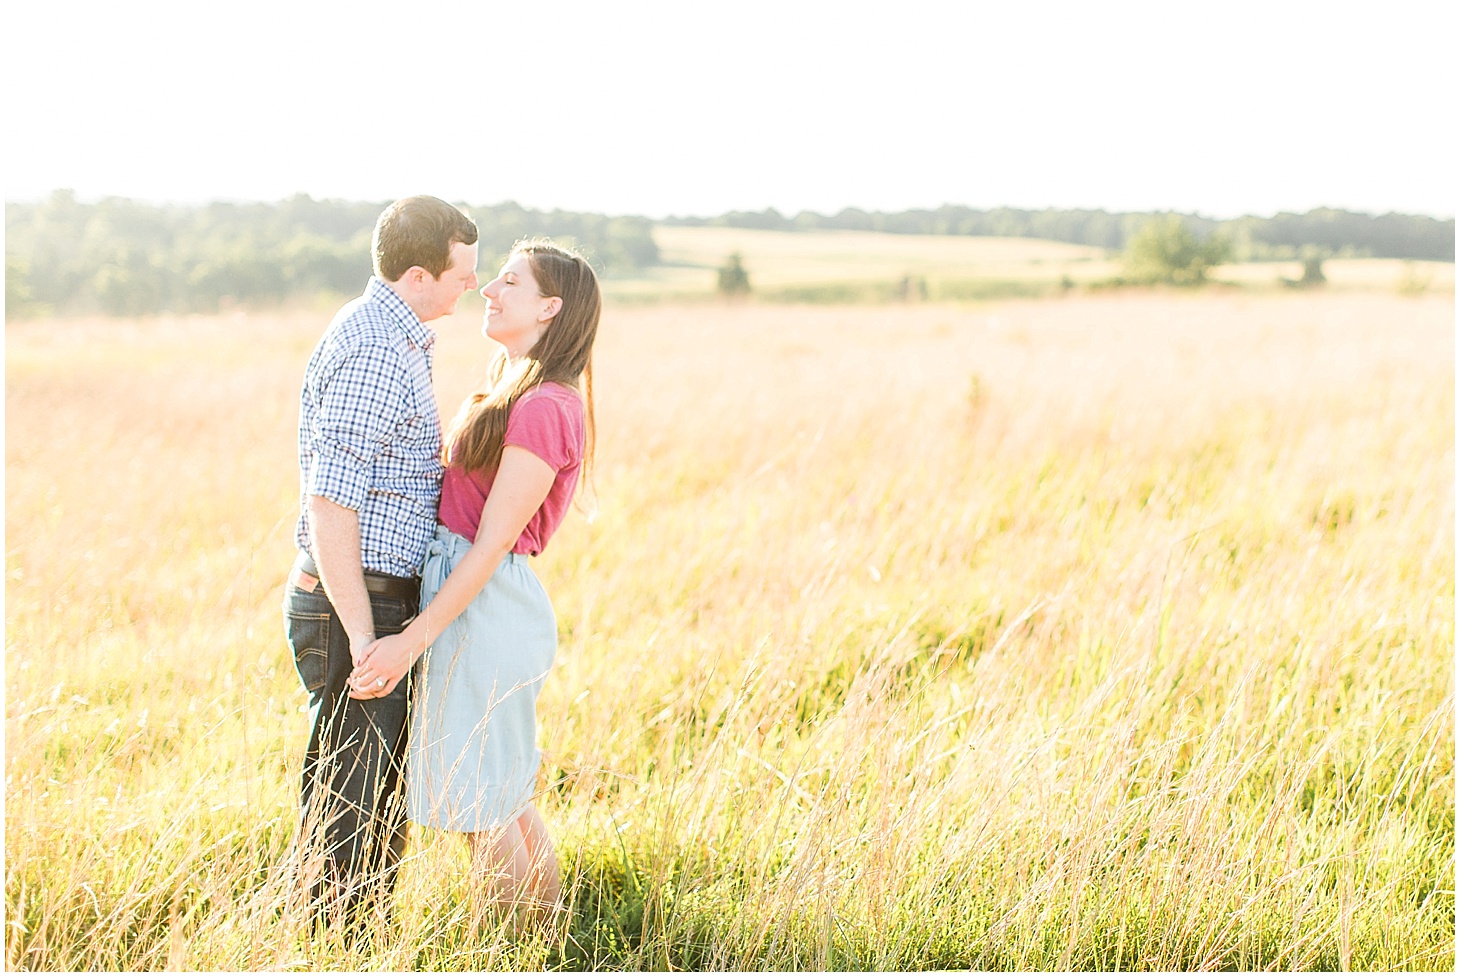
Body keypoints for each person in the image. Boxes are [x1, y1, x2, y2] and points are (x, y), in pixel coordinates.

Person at [346, 239, 600, 926]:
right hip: (484, 599)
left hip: (484, 604)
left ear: (551, 306)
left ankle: (507, 952)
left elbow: (488, 546)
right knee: (502, 797)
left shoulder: (546, 404)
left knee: (474, 802)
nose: (489, 288)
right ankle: (540, 944)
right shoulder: (516, 384)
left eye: (510, 282)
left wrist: (412, 638)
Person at [283, 195, 479, 932]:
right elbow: (331, 502)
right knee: (351, 792)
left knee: (368, 784)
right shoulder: (373, 347)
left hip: (370, 598)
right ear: (421, 274)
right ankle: (340, 943)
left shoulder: (395, 337)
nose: (472, 286)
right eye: (462, 274)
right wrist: (365, 635)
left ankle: (352, 937)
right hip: (354, 602)